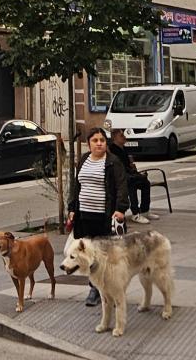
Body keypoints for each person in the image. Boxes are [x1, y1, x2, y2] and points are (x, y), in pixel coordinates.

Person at [66, 126, 128, 305]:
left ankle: (105, 289)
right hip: (84, 216)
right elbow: (77, 186)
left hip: (104, 216)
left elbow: (121, 186)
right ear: (88, 143)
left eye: (102, 140)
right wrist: (72, 208)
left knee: (104, 255)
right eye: (95, 140)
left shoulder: (113, 162)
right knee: (88, 255)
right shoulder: (84, 159)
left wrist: (121, 209)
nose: (99, 143)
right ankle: (94, 288)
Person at [109, 129, 151, 225]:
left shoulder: (124, 149)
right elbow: (119, 168)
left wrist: (134, 170)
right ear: (115, 138)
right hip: (120, 178)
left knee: (145, 183)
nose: (124, 137)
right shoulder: (113, 150)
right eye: (121, 136)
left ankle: (145, 210)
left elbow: (128, 165)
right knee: (131, 184)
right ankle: (135, 213)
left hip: (129, 175)